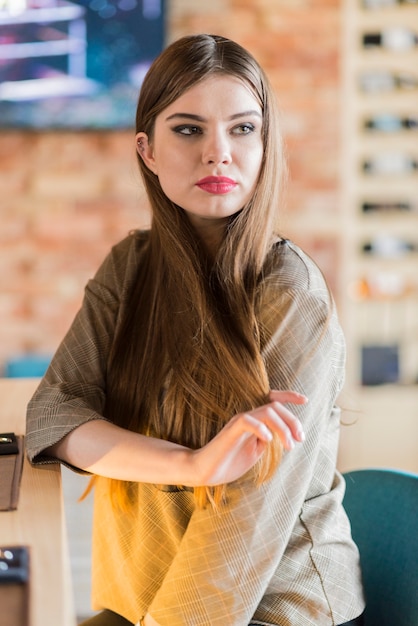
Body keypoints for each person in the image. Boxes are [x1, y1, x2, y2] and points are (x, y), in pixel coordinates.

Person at [26, 34, 365, 626]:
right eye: (188, 130)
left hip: (271, 606)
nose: (218, 154)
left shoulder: (291, 295)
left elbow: (241, 532)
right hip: (141, 596)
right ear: (148, 149)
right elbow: (54, 413)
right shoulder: (129, 267)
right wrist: (192, 465)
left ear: (266, 146)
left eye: (242, 129)